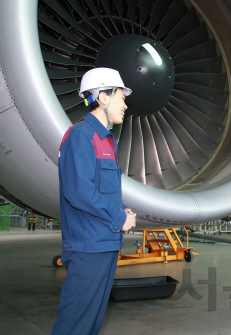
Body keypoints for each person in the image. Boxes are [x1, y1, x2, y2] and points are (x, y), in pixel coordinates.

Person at [52, 68, 137, 335]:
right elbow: (78, 191)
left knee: (90, 324)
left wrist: (119, 210)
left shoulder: (106, 140)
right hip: (88, 246)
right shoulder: (81, 135)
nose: (125, 105)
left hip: (103, 243)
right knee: (75, 326)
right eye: (121, 97)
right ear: (102, 97)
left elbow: (99, 191)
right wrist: (119, 218)